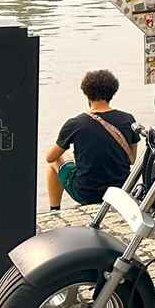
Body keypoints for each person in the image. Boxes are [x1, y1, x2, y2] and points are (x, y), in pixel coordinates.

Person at [45, 69, 137, 211]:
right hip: (121, 191)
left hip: (87, 193)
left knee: (57, 158)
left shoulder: (75, 123)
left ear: (86, 93)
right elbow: (132, 160)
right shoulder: (128, 119)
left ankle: (54, 209)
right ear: (113, 92)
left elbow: (50, 157)